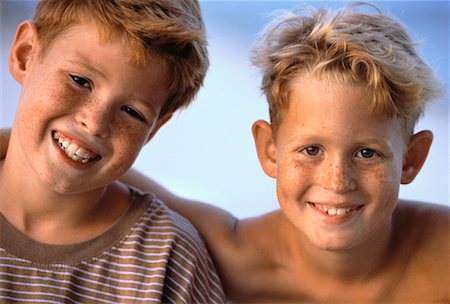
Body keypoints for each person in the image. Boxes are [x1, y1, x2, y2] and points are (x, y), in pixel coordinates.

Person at [118, 3, 449, 302]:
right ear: (269, 151)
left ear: (411, 159)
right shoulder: (240, 262)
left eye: (366, 153)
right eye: (311, 149)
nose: (337, 181)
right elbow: (117, 180)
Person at [0, 0, 225, 303]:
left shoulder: (169, 261)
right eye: (80, 81)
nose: (95, 124)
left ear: (154, 129)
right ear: (25, 54)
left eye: (132, 111)